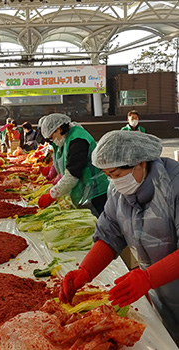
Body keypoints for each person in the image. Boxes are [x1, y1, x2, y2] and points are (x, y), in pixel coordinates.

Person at [59, 130, 179, 345]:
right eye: (107, 175)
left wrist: (147, 278)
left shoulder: (174, 186)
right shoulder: (119, 191)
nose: (113, 181)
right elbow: (109, 233)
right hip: (163, 289)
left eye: (115, 173)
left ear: (141, 163)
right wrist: (85, 271)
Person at [38, 113, 109, 216]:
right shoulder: (67, 138)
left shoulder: (78, 140)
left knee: (100, 222)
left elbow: (72, 174)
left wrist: (51, 195)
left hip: (95, 191)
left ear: (58, 129)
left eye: (51, 137)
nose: (52, 141)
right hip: (85, 189)